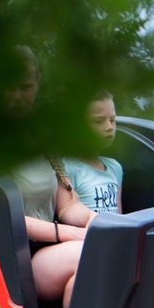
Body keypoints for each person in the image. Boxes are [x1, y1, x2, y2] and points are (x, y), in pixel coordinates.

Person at [0, 48, 89, 308]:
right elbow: (2, 214)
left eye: (25, 87)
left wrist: (92, 221)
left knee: (109, 247)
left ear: (38, 81)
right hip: (12, 254)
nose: (17, 96)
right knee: (92, 254)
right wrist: (68, 234)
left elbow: (67, 206)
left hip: (49, 248)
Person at [59, 90, 123, 221]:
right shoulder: (66, 167)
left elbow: (120, 217)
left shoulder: (115, 167)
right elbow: (65, 210)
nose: (110, 127)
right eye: (99, 121)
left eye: (112, 120)